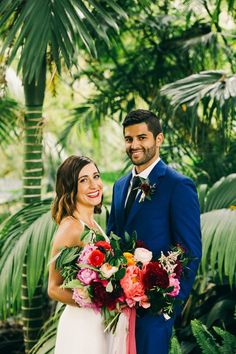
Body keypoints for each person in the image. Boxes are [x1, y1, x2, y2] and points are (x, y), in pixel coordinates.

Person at [107, 109, 202, 354]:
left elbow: (190, 251)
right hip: (119, 308)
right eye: (129, 139)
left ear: (158, 139)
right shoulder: (119, 186)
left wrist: (167, 310)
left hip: (155, 313)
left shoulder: (178, 185)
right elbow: (112, 241)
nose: (134, 145)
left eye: (142, 137)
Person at [48, 155, 108, 354]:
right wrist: (96, 301)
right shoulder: (71, 227)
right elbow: (54, 288)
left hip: (100, 324)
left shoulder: (94, 224)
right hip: (82, 328)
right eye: (84, 180)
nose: (94, 185)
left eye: (96, 176)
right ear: (70, 187)